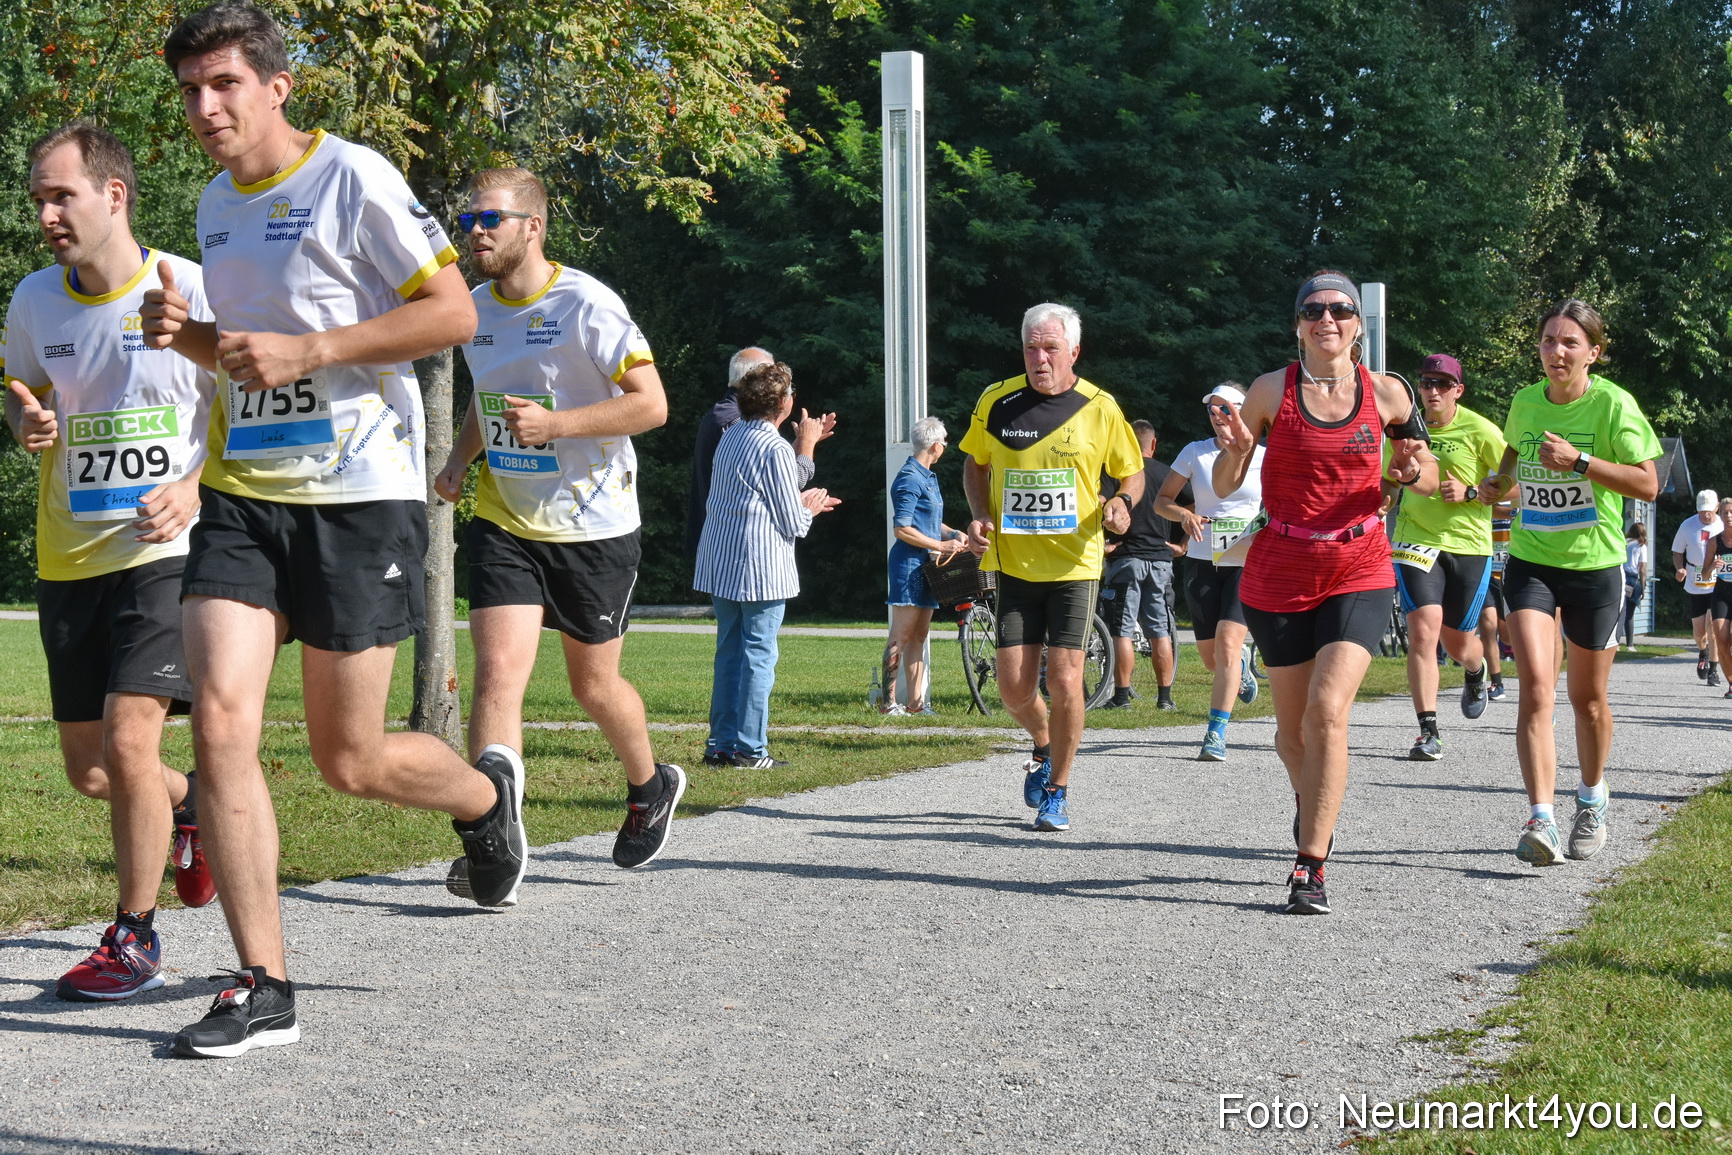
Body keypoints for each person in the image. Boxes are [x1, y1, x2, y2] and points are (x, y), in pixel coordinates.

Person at [142, 2, 524, 1058]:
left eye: (222, 83)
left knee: (348, 758)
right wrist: (196, 339)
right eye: (188, 90)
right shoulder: (218, 204)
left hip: (360, 495)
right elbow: (251, 355)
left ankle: (485, 798)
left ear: (276, 84)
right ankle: (262, 983)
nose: (204, 108)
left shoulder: (351, 176)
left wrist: (311, 353)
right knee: (219, 723)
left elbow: (449, 315)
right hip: (242, 497)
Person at [3, 123, 216, 1001]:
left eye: (63, 196)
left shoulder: (190, 288)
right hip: (70, 560)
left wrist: (198, 487)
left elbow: (250, 402)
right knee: (93, 768)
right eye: (37, 200)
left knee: (132, 738)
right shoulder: (34, 302)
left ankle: (133, 936)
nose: (47, 213)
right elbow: (19, 387)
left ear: (114, 194)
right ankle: (191, 806)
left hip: (168, 555)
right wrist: (22, 420)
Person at [433, 167, 683, 873]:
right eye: (468, 221)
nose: (475, 232)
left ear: (532, 226)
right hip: (506, 517)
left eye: (490, 220)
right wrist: (458, 461)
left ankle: (650, 783)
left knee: (593, 686)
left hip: (593, 522)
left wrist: (559, 424)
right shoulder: (472, 311)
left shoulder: (586, 304)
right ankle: (493, 845)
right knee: (497, 675)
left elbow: (652, 404)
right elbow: (492, 400)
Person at [1213, 271, 1438, 915]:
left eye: (1340, 309)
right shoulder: (1268, 390)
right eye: (1313, 310)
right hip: (1281, 565)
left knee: (1327, 711)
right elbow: (1229, 484)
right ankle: (1315, 800)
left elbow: (1425, 474)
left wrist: (1414, 470)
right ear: (1298, 324)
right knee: (1293, 735)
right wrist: (1233, 450)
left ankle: (1310, 862)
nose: (1327, 319)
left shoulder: (1388, 394)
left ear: (1358, 325)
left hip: (1359, 563)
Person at [1478, 299, 1661, 868]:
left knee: (1587, 700)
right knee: (1536, 686)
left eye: (1570, 343)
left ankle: (1592, 797)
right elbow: (1511, 460)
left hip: (1596, 568)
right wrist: (1498, 483)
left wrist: (1580, 462)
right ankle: (1542, 818)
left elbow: (1648, 485)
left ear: (1593, 353)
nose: (1556, 351)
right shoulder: (1525, 402)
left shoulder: (1613, 405)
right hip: (1532, 561)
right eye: (1548, 340)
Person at [961, 303, 1142, 832]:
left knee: (1065, 678)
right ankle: (1043, 744)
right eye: (1031, 348)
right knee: (1014, 689)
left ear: (1074, 352)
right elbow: (975, 465)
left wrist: (1122, 505)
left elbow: (1131, 474)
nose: (1040, 359)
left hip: (1075, 566)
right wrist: (977, 514)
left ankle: (1058, 790)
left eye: (1051, 349)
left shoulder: (1101, 407)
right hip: (1013, 565)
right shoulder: (997, 401)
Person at [693, 361, 840, 767]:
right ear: (785, 403)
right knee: (758, 657)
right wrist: (809, 505)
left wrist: (805, 451)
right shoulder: (773, 446)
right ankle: (750, 749)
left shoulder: (733, 434)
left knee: (729, 656)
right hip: (760, 568)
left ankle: (720, 745)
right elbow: (791, 519)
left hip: (722, 563)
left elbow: (770, 485)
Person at [1384, 353, 1507, 761]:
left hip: (1469, 546)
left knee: (1458, 644)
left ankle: (1476, 669)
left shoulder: (1480, 429)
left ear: (1458, 390)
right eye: (1425, 383)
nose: (1432, 391)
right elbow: (1388, 480)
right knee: (1423, 632)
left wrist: (1473, 492)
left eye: (1441, 384)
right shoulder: (1402, 429)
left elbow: (1519, 484)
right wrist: (1384, 499)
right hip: (1415, 541)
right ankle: (1428, 731)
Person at [1157, 386, 1264, 757]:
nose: (1218, 416)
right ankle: (1243, 669)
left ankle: (1215, 733)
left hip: (1246, 561)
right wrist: (1184, 514)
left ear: (1243, 412)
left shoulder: (1264, 456)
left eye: (1225, 409)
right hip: (1203, 560)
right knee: (1210, 658)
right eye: (1212, 411)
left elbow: (1282, 506)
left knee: (1228, 643)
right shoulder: (1195, 452)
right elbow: (1162, 502)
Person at [685, 346, 834, 558]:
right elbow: (789, 482)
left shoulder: (731, 420)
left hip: (723, 547)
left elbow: (762, 469)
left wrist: (804, 441)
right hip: (743, 552)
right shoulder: (735, 421)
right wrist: (806, 445)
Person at [1099, 420, 1191, 712]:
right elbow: (1192, 506)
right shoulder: (1167, 474)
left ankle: (1122, 697)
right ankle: (1165, 698)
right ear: (1153, 444)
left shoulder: (1119, 474)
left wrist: (1103, 541)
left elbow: (1100, 502)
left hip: (1126, 559)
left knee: (1122, 630)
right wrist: (1182, 543)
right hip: (1161, 561)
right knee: (1160, 630)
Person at [882, 415, 967, 715]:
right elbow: (902, 528)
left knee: (919, 636)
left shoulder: (928, 477)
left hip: (929, 565)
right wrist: (941, 545)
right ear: (935, 445)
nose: (944, 446)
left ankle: (916, 704)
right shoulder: (909, 477)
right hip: (909, 566)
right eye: (944, 442)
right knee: (901, 636)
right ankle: (887, 703)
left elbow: (929, 522)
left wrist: (953, 533)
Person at [1670, 491, 1722, 684]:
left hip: (1718, 582)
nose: (1705, 515)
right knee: (1700, 632)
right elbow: (1677, 551)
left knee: (1713, 627)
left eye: (1709, 511)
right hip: (1695, 582)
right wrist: (1680, 568)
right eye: (1702, 511)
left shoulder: (1723, 524)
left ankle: (1714, 670)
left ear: (1716, 507)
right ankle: (1703, 653)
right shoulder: (1687, 525)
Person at [1478, 498, 1515, 699]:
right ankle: (1496, 682)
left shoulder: (1519, 490)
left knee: (1508, 634)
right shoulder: (1483, 491)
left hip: (1513, 573)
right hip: (1488, 571)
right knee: (1487, 625)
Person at [1622, 521, 1649, 652]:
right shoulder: (1641, 545)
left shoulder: (1623, 542)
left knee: (1618, 611)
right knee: (1630, 613)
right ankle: (1629, 644)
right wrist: (1643, 586)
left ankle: (1614, 643)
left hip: (1620, 576)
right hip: (1632, 578)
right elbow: (1642, 568)